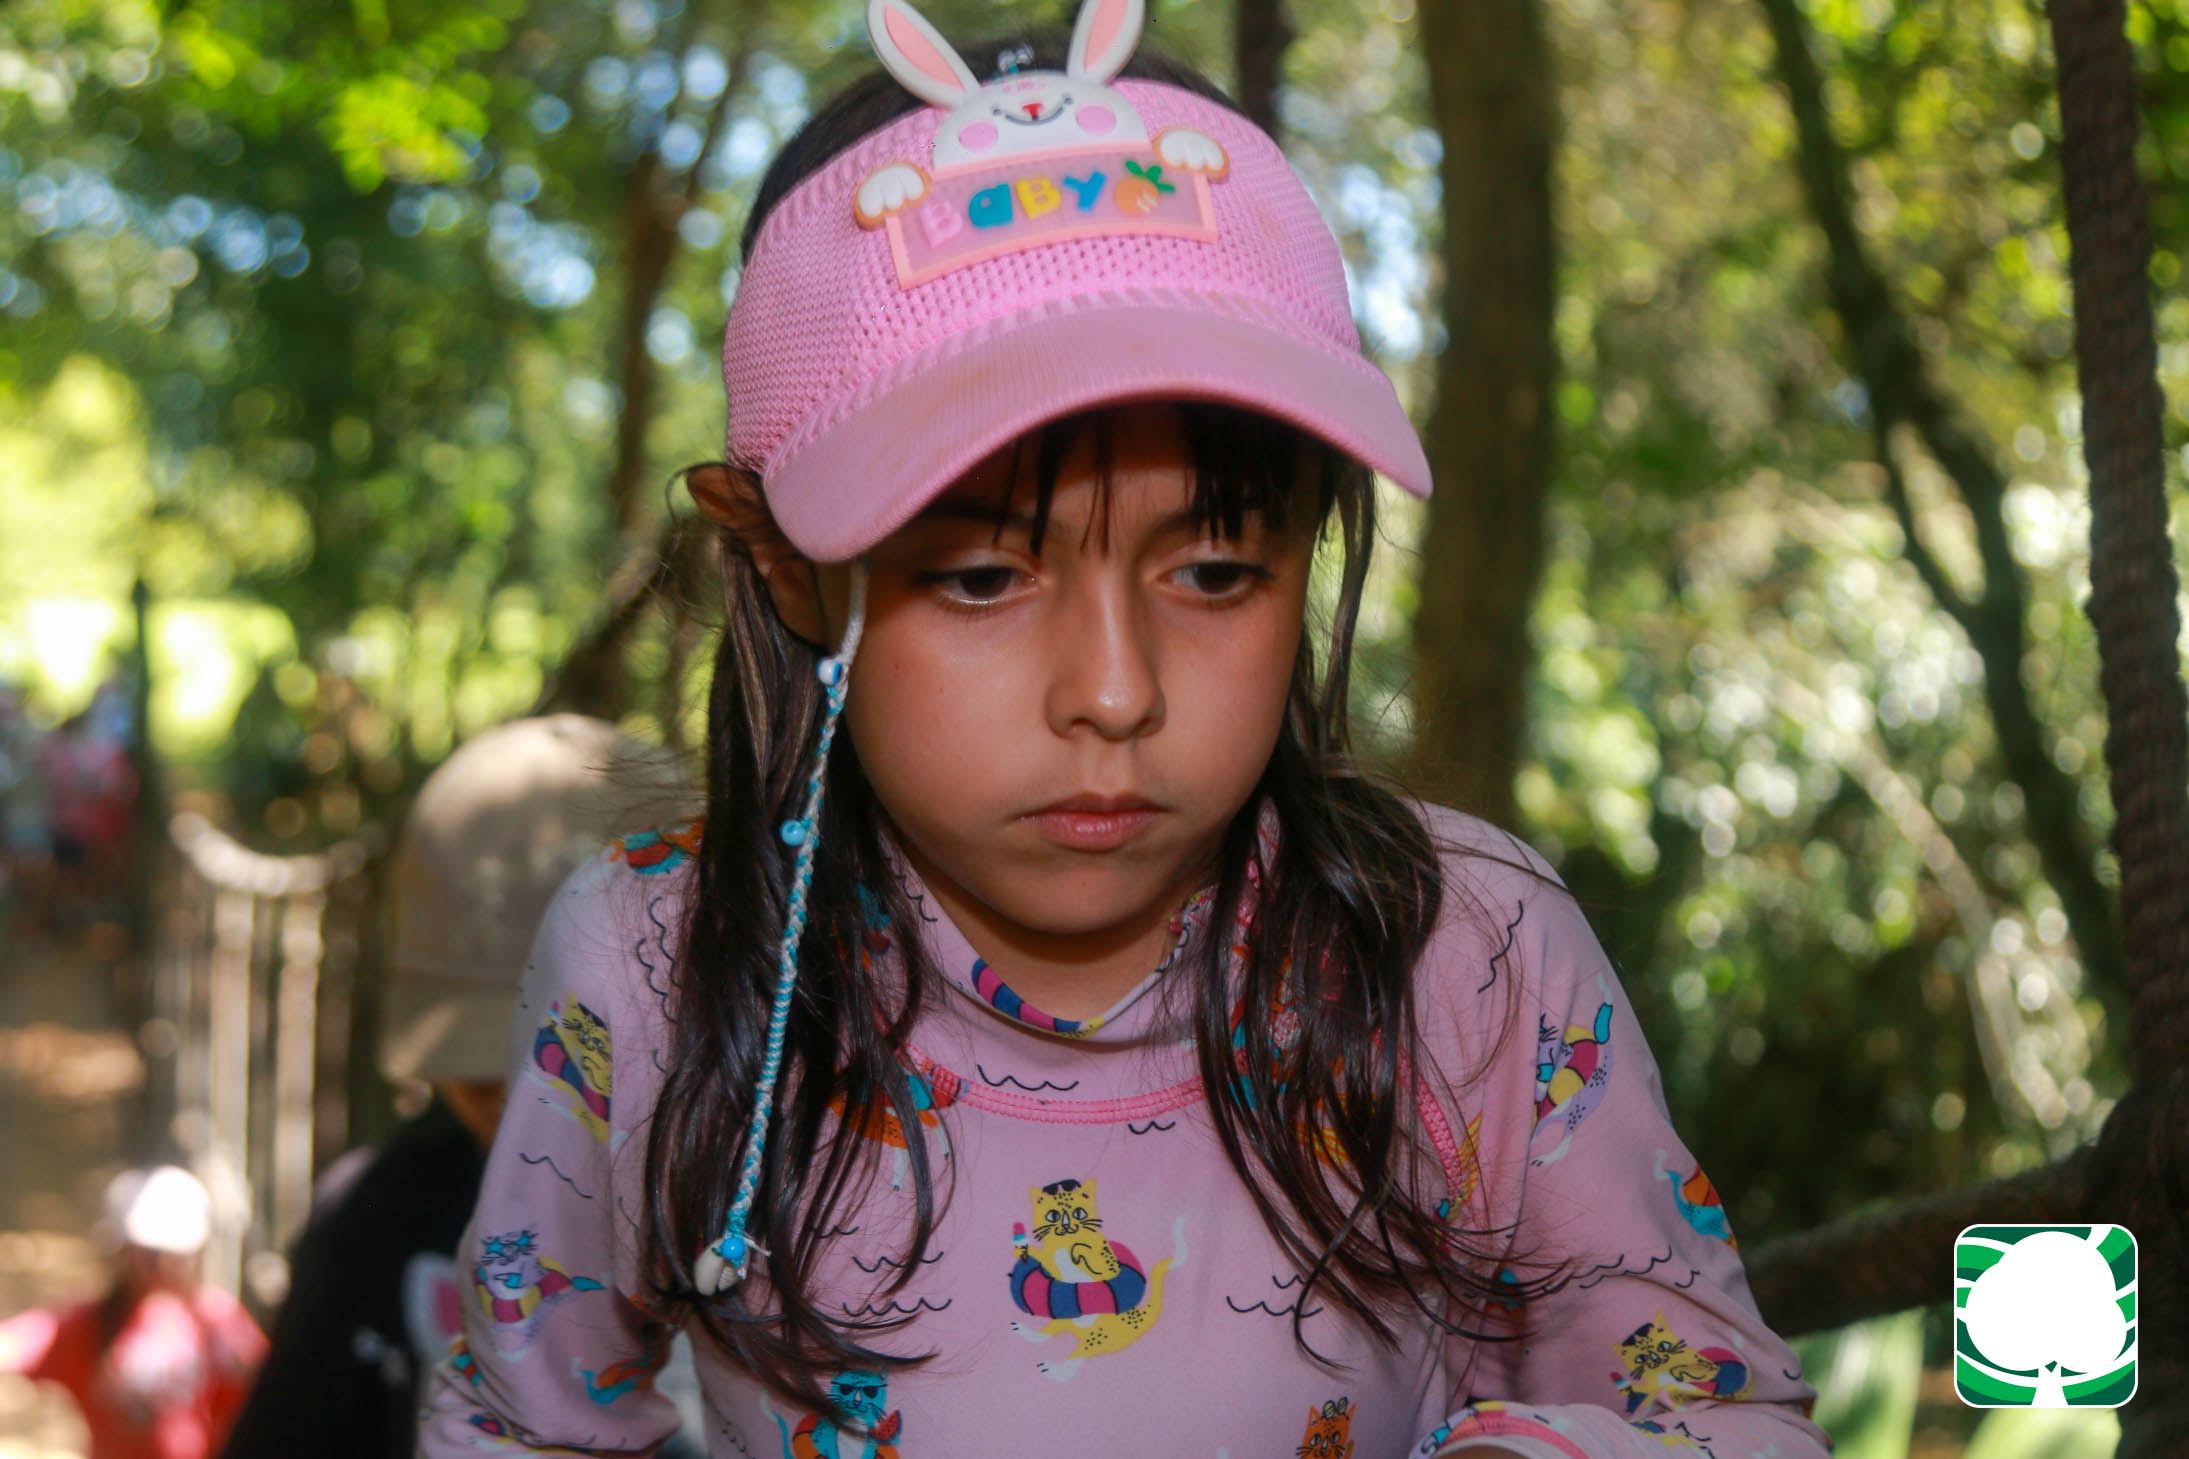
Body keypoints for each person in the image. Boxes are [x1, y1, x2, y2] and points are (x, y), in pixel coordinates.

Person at [419, 3, 1834, 1455]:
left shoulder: (1454, 953)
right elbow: (517, 1424)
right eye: (981, 576)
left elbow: (1728, 1416)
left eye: (1213, 570)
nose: (1113, 690)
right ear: (786, 562)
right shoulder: (659, 965)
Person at [218, 716, 700, 1459]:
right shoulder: (375, 1220)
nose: (527, 1110)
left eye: (587, 1073)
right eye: (484, 1078)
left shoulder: (819, 1225)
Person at [0, 1166, 264, 1459]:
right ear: (123, 1249)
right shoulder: (92, 1322)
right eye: (150, 1253)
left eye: (174, 1253)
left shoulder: (219, 1322)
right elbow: (19, 1342)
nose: (162, 1264)